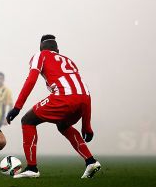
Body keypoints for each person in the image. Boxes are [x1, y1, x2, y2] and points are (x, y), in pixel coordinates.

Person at [6, 34, 102, 179]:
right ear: (57, 49)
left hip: (64, 98)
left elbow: (31, 80)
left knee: (27, 120)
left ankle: (32, 168)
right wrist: (86, 125)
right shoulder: (69, 60)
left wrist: (17, 107)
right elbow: (84, 91)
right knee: (63, 125)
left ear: (41, 48)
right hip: (84, 99)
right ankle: (91, 161)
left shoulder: (40, 55)